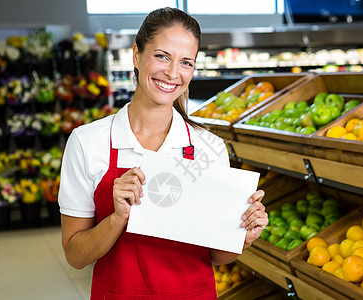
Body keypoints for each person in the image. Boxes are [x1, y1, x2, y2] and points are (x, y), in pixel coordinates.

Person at [59, 7, 268, 299]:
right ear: (136, 55)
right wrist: (118, 218)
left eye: (186, 62)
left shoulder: (209, 148)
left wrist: (243, 236)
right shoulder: (87, 142)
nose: (172, 73)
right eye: (162, 56)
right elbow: (75, 255)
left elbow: (216, 256)